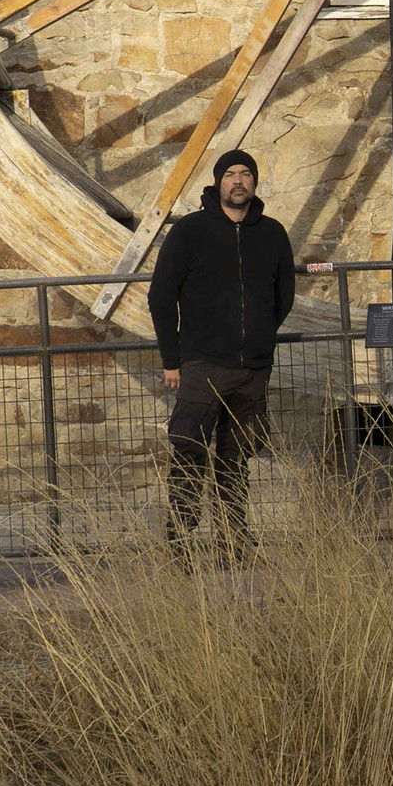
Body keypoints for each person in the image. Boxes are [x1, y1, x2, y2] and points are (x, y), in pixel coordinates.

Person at [147, 150, 295, 562]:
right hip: (202, 365)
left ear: (254, 181)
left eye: (245, 173)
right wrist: (171, 359)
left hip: (252, 370)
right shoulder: (189, 231)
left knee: (236, 459)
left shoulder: (272, 233)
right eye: (229, 174)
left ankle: (234, 544)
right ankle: (180, 545)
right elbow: (161, 297)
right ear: (218, 182)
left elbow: (284, 295)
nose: (238, 181)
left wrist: (260, 336)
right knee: (189, 451)